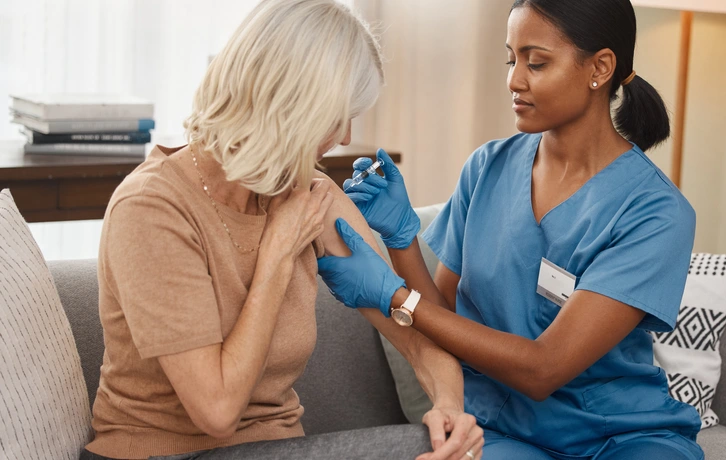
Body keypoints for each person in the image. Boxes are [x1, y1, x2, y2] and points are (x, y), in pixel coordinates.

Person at [79, 1, 483, 459]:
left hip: (277, 447)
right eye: (339, 116)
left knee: (436, 447)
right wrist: (276, 254)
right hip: (161, 453)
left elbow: (421, 344)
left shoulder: (307, 195)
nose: (347, 137)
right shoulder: (152, 209)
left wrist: (449, 410)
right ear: (294, 106)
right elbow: (216, 411)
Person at [317, 0, 705, 458]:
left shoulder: (655, 211)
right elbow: (448, 322)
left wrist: (394, 296)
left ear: (600, 67)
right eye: (511, 59)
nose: (514, 80)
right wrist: (402, 242)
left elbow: (544, 369)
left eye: (536, 62)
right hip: (502, 429)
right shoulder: (487, 168)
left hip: (623, 435)